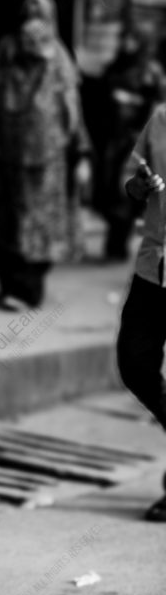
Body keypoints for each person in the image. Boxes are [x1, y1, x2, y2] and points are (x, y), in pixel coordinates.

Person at [0, 17, 90, 311]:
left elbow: (73, 118)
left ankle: (29, 289)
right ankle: (10, 287)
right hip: (8, 162)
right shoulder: (8, 75)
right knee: (11, 225)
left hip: (48, 166)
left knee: (39, 229)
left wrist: (81, 155)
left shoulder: (59, 74)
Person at [116, 103, 166, 522]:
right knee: (134, 363)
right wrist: (141, 185)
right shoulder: (161, 120)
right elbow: (130, 185)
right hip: (153, 267)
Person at [93, 24, 166, 262]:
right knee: (105, 190)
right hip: (110, 139)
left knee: (122, 192)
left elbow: (157, 107)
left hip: (133, 142)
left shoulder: (151, 71)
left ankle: (117, 244)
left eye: (131, 39)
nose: (126, 43)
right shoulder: (116, 66)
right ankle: (116, 240)